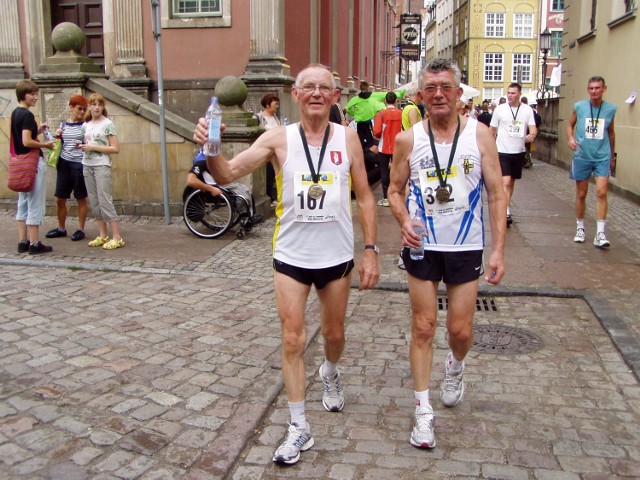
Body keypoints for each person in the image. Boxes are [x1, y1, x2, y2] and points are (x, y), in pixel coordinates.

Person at [194, 63, 380, 465]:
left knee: (334, 335)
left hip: (336, 257)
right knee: (293, 338)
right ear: (295, 95)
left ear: (334, 97)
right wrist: (211, 150)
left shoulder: (347, 138)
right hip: (291, 256)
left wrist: (371, 250)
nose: (316, 93)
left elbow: (365, 195)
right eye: (308, 86)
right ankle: (299, 426)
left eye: (324, 88)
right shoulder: (277, 138)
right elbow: (226, 172)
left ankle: (330, 371)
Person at [388, 57, 506, 450]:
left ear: (458, 94)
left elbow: (496, 193)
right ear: (421, 96)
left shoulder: (481, 135)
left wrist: (498, 251)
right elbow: (393, 190)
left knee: (460, 331)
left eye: (445, 88)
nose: (438, 94)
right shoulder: (409, 139)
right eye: (430, 88)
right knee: (423, 327)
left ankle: (455, 366)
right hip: (423, 246)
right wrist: (403, 218)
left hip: (466, 245)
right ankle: (423, 412)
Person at [566, 75, 617, 248]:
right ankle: (580, 227)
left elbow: (611, 132)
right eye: (591, 88)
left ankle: (600, 233)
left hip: (602, 155)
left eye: (597, 88)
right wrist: (570, 139)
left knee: (602, 192)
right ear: (588, 89)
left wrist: (611, 156)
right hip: (582, 155)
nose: (594, 91)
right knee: (581, 193)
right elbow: (569, 125)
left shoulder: (610, 109)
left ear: (604, 89)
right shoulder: (579, 106)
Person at [11, 80, 56, 254]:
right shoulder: (27, 115)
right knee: (34, 201)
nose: (36, 97)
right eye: (33, 94)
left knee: (23, 202)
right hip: (32, 164)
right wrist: (46, 145)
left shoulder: (16, 113)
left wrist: (38, 130)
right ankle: (35, 243)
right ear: (24, 95)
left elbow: (23, 136)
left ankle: (23, 241)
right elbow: (26, 141)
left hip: (20, 163)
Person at [80, 93, 125, 250]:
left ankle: (117, 236)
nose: (97, 107)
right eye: (94, 104)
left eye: (100, 104)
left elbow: (115, 148)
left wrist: (93, 147)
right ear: (89, 106)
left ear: (103, 107)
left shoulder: (108, 124)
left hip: (101, 164)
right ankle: (102, 234)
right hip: (87, 163)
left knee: (105, 199)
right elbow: (83, 141)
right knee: (94, 200)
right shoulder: (85, 125)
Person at [490, 83, 537, 227]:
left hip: (519, 151)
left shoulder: (527, 110)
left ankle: (506, 207)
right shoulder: (500, 110)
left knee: (511, 182)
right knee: (505, 181)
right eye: (508, 93)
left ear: (519, 94)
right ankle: (506, 211)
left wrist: (532, 135)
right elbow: (492, 130)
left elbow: (533, 128)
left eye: (513, 93)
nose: (510, 95)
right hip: (502, 150)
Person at [45, 95, 89, 242]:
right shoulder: (64, 124)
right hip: (64, 163)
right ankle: (61, 228)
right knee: (60, 198)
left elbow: (90, 142)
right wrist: (57, 136)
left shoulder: (85, 126)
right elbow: (58, 143)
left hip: (79, 163)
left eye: (84, 109)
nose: (82, 112)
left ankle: (80, 229)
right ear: (71, 107)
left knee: (80, 197)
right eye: (79, 109)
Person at [372, 91, 403, 207]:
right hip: (399, 147)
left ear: (385, 101)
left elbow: (377, 131)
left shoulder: (381, 114)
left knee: (384, 171)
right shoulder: (401, 113)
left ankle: (386, 198)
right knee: (398, 171)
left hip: (384, 147)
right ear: (395, 101)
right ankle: (398, 195)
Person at [255, 93, 282, 208]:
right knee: (268, 175)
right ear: (267, 105)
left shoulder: (276, 118)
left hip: (276, 151)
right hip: (265, 151)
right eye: (275, 104)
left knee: (276, 174)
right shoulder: (258, 118)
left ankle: (276, 197)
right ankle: (270, 197)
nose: (277, 106)